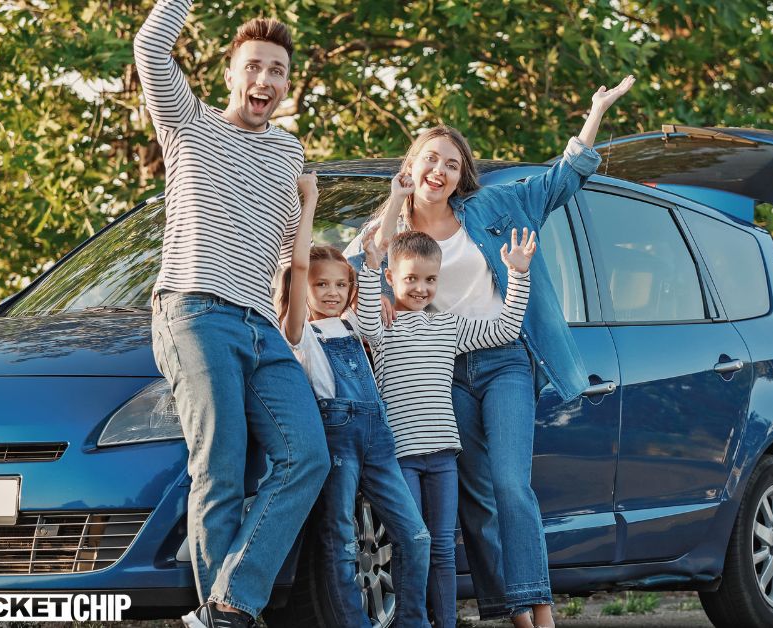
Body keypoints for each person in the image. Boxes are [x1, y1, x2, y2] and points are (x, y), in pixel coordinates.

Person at [348, 75, 635, 628]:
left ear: (461, 177)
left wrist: (594, 115)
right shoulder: (386, 229)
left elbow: (558, 183)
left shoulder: (490, 207)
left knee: (509, 482)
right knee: (475, 499)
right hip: (440, 374)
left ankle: (540, 607)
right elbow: (350, 271)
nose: (440, 171)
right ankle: (511, 612)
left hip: (503, 358)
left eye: (451, 165)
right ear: (411, 167)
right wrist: (381, 269)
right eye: (431, 160)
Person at [134, 3, 330, 627]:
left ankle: (227, 606)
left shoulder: (287, 154)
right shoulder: (187, 124)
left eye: (278, 71)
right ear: (230, 74)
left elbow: (286, 259)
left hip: (260, 325)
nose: (265, 81)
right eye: (254, 67)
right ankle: (228, 617)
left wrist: (310, 210)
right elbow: (149, 48)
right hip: (193, 309)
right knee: (219, 461)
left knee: (309, 456)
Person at [356, 206, 537, 628]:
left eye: (430, 280)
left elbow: (505, 329)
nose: (420, 288)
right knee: (410, 543)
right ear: (391, 278)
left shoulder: (449, 326)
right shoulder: (384, 326)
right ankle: (412, 621)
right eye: (411, 278)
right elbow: (364, 313)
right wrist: (368, 264)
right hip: (400, 458)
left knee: (441, 547)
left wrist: (519, 275)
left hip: (442, 458)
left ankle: (446, 622)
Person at [275, 173, 431, 628]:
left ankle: (413, 622)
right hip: (337, 439)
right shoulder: (298, 334)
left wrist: (398, 197)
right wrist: (310, 201)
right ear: (305, 289)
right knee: (340, 539)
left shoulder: (352, 325)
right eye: (321, 285)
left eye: (340, 286)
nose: (331, 292)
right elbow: (299, 263)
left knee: (415, 536)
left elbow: (373, 252)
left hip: (378, 438)